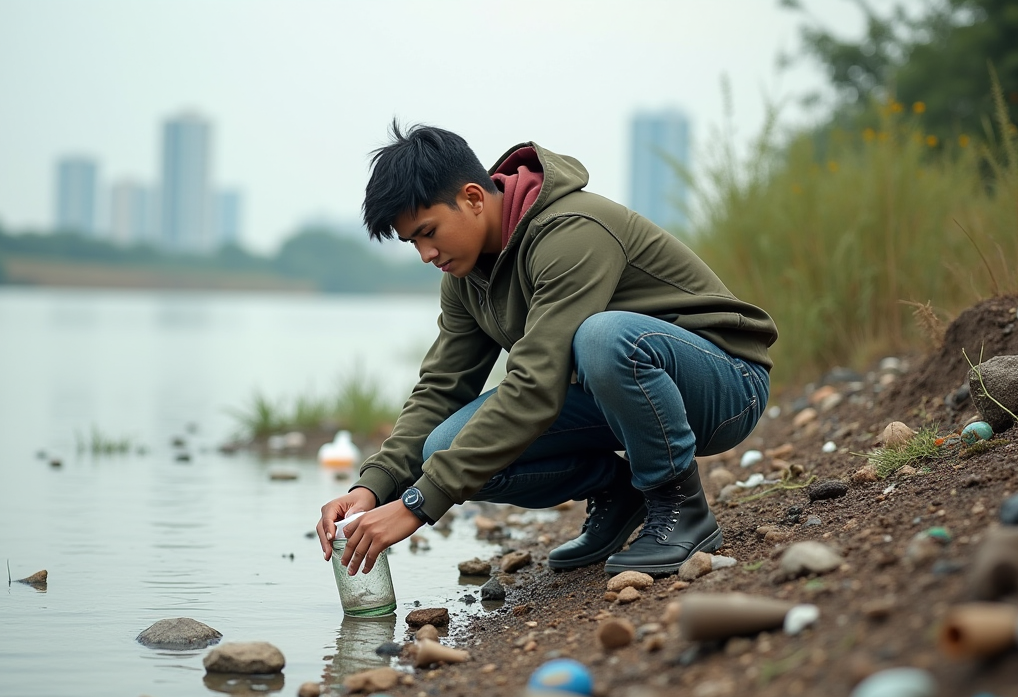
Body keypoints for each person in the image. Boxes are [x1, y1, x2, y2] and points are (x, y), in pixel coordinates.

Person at [315, 123, 777, 578]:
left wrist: (419, 503)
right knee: (443, 444)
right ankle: (619, 494)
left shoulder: (572, 231)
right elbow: (441, 389)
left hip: (726, 387)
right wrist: (373, 486)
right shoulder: (465, 276)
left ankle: (681, 507)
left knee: (602, 337)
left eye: (428, 231)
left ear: (473, 198)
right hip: (623, 400)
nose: (425, 254)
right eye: (413, 241)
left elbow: (535, 384)